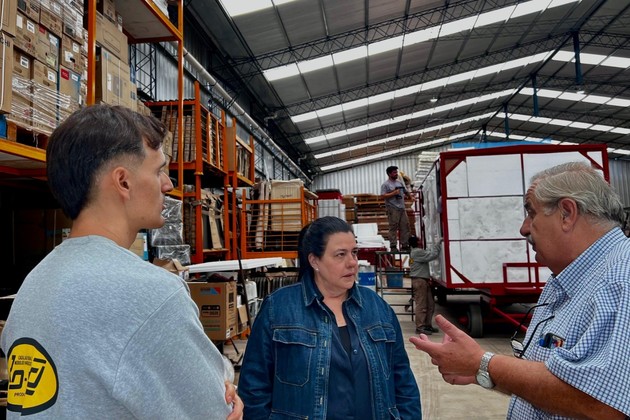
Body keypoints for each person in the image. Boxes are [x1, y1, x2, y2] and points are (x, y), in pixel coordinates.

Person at [0, 105, 243, 419]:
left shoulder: (35, 284)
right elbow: (216, 412)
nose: (167, 185)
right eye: (158, 171)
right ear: (123, 182)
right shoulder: (152, 294)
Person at [410, 162, 630, 419]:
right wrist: (482, 372)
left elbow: (602, 404)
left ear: (567, 213)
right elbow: (559, 380)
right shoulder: (567, 280)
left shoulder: (620, 280)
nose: (524, 228)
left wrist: (483, 362)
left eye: (532, 213)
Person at [238, 216, 421, 419]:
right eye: (340, 255)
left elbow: (403, 383)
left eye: (354, 252)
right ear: (314, 260)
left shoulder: (378, 309)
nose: (352, 263)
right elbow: (253, 388)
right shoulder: (279, 308)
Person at [408, 236, 442, 335]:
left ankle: (427, 325)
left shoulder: (416, 252)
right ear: (417, 242)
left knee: (430, 304)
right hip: (419, 281)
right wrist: (438, 243)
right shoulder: (417, 252)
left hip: (423, 280)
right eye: (419, 240)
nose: (421, 241)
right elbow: (432, 255)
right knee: (421, 304)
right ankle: (420, 327)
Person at [381, 165, 412, 252]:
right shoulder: (385, 185)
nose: (396, 174)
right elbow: (383, 195)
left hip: (402, 208)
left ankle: (405, 245)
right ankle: (393, 246)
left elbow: (405, 191)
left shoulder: (399, 183)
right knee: (393, 226)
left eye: (396, 172)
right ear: (389, 174)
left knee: (405, 226)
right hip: (392, 208)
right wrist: (394, 193)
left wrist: (411, 197)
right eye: (394, 172)